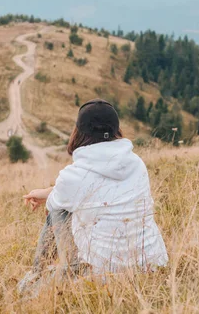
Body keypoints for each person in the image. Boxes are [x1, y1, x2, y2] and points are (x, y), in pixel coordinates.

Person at [18, 99, 168, 294]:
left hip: (102, 276)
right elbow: (88, 189)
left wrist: (49, 195)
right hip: (151, 265)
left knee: (56, 211)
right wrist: (47, 192)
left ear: (79, 132)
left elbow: (59, 202)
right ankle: (46, 273)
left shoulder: (73, 175)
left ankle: (37, 274)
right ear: (116, 129)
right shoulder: (136, 163)